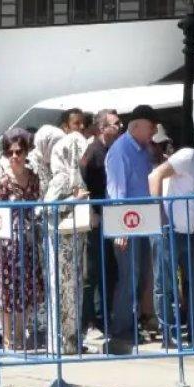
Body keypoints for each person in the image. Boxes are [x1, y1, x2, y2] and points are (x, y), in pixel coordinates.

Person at [104, 104, 157, 354]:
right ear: (136, 126)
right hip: (128, 223)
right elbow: (117, 192)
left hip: (143, 221)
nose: (154, 131)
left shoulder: (144, 149)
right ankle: (122, 329)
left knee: (141, 274)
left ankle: (132, 323)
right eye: (151, 126)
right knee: (129, 276)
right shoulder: (120, 151)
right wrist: (120, 229)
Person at [149, 147, 194, 347]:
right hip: (170, 230)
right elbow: (155, 175)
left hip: (192, 233)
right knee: (165, 285)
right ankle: (167, 333)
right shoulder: (189, 156)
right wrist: (159, 213)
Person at [0, 130, 44, 350]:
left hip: (29, 240)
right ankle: (7, 337)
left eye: (18, 152)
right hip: (7, 243)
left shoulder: (33, 178)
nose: (14, 156)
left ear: (26, 152)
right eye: (9, 152)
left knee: (27, 288)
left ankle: (22, 334)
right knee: (7, 289)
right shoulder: (3, 181)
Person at [43, 124, 90, 354]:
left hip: (73, 242)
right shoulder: (61, 178)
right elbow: (47, 209)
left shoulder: (75, 177)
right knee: (62, 292)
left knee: (72, 292)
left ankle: (70, 341)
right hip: (62, 244)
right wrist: (74, 201)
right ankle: (61, 342)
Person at [81, 108, 121, 331]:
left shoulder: (112, 150)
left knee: (110, 270)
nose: (119, 127)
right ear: (102, 128)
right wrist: (91, 211)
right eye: (114, 124)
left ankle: (105, 316)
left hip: (111, 215)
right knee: (95, 271)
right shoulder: (94, 151)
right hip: (98, 218)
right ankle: (93, 320)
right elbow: (84, 183)